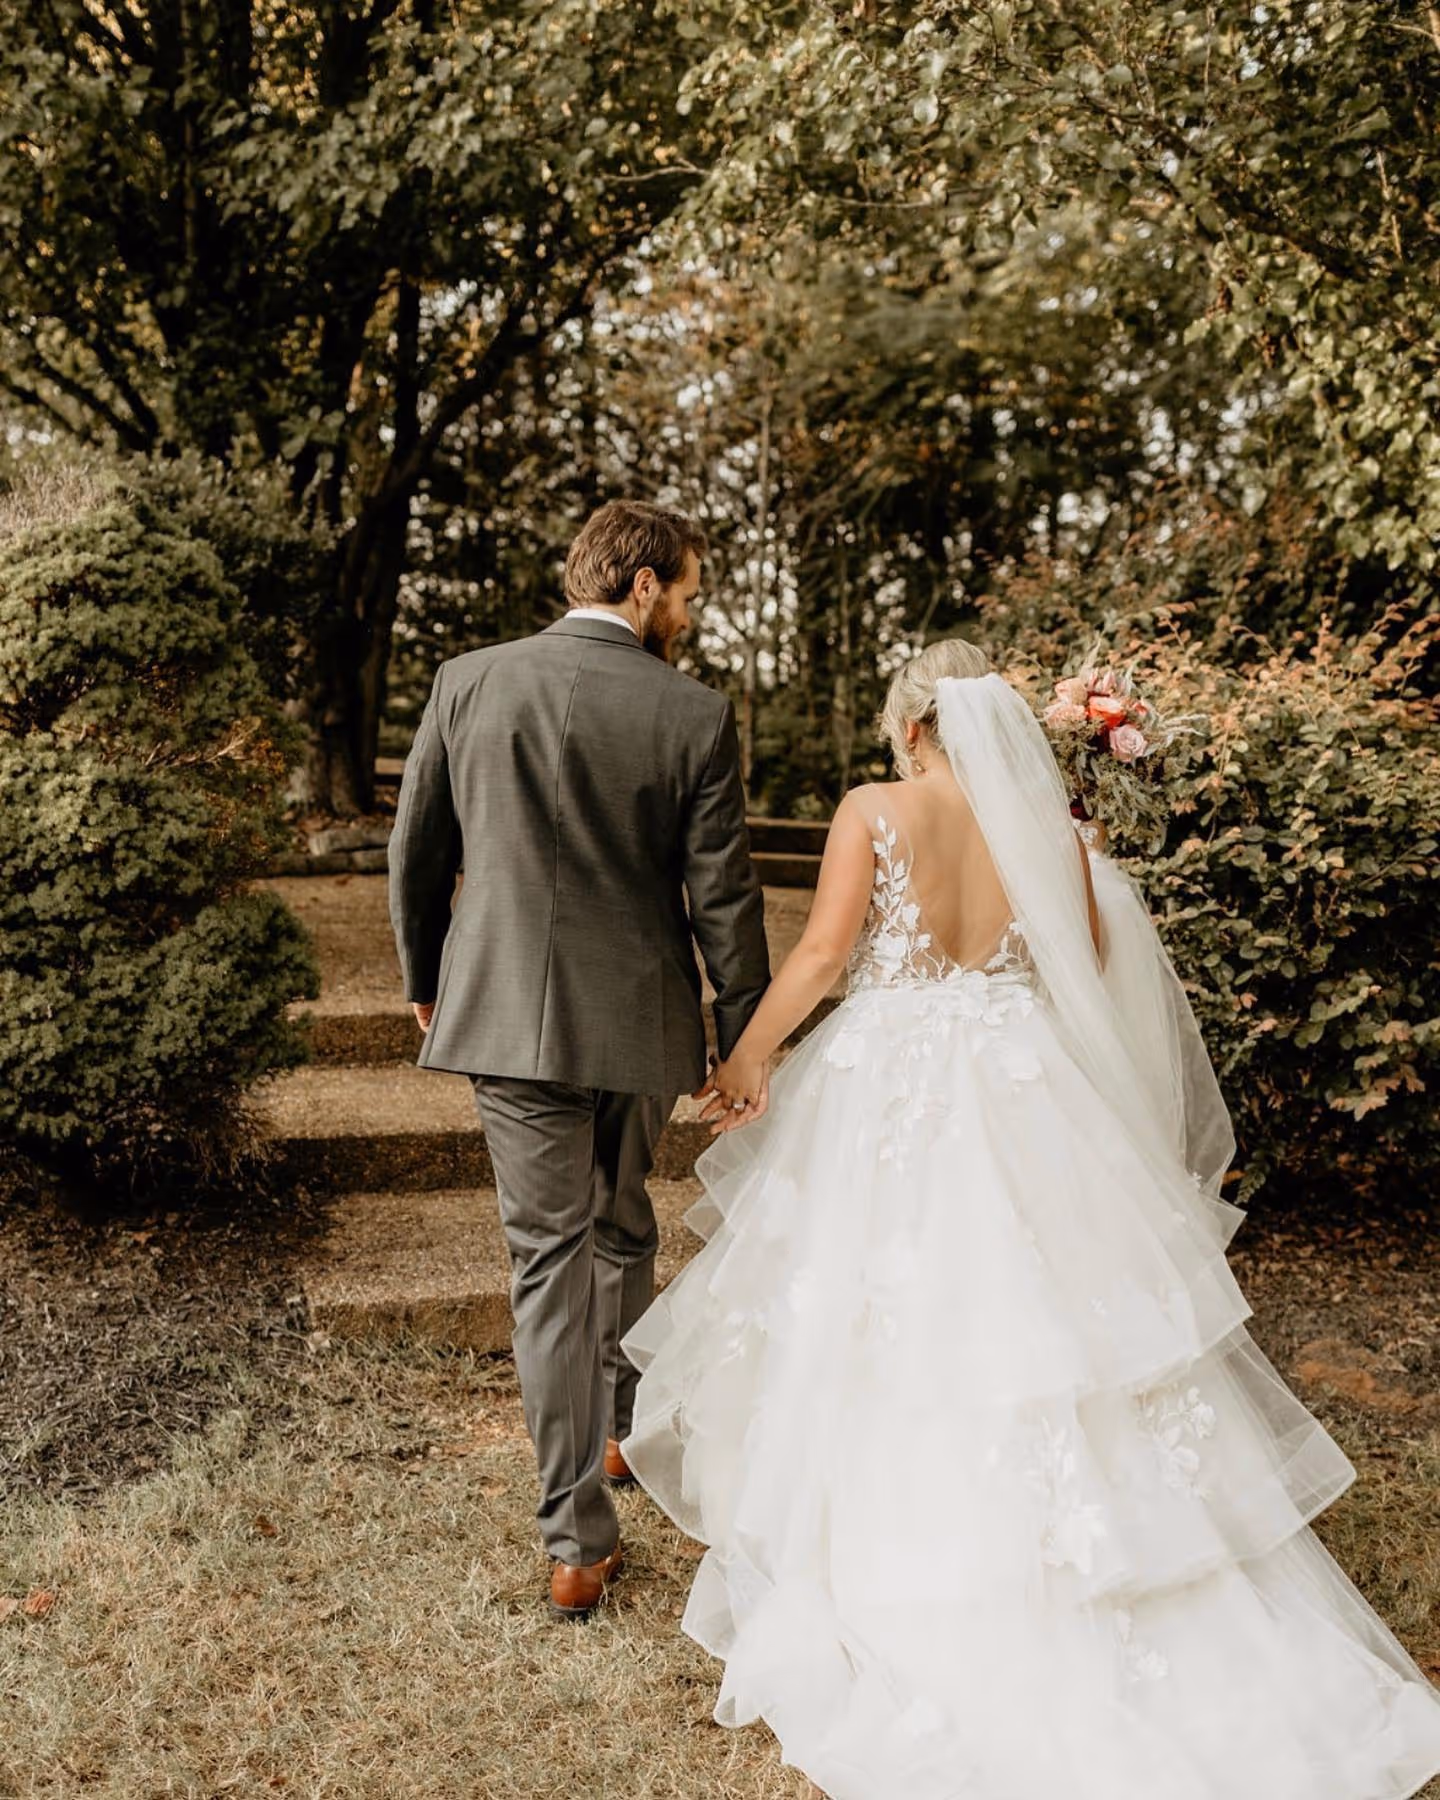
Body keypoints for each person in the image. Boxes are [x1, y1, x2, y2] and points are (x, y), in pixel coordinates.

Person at [622, 637, 1440, 1799]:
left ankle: (905, 1557)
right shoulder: (1053, 834)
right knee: (1051, 1319)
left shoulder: (876, 805)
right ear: (996, 726)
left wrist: (749, 1058)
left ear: (912, 727)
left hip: (895, 1086)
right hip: (1023, 1080)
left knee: (889, 1317)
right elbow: (1086, 971)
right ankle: (1118, 1543)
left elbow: (820, 953)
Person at [388, 499, 771, 1620]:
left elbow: (419, 846)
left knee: (550, 1261)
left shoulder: (468, 680)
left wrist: (427, 974)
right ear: (643, 584)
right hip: (641, 1021)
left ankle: (577, 1538)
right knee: (622, 1221)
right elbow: (725, 902)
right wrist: (741, 1036)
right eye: (689, 592)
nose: (691, 614)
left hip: (505, 1013)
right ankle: (612, 1432)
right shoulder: (694, 713)